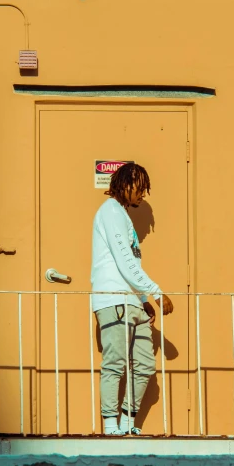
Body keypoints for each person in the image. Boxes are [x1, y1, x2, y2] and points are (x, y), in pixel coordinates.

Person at [90, 162, 174, 435]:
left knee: (145, 365)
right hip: (113, 300)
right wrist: (157, 292)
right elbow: (125, 261)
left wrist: (142, 299)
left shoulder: (122, 215)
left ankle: (127, 422)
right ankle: (109, 426)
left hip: (131, 302)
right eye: (140, 187)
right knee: (114, 364)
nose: (143, 193)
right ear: (125, 183)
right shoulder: (111, 212)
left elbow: (130, 266)